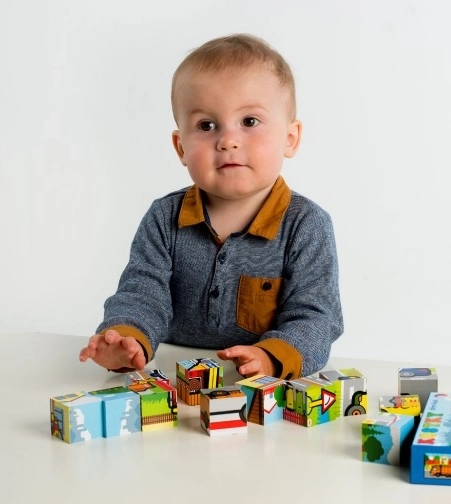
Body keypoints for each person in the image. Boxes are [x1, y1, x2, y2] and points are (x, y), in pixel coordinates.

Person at [79, 33, 343, 379]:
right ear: (181, 147)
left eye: (250, 121)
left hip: (256, 381)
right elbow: (142, 290)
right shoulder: (164, 217)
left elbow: (316, 316)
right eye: (207, 125)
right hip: (172, 370)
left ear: (289, 138)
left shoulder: (305, 224)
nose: (228, 140)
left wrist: (271, 357)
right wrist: (127, 338)